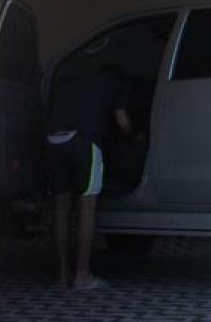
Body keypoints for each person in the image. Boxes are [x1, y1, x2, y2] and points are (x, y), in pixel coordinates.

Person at [45, 62, 141, 289]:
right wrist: (137, 136)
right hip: (83, 142)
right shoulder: (115, 85)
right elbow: (123, 122)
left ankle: (62, 274)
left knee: (61, 207)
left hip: (53, 140)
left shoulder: (71, 81)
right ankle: (82, 275)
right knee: (87, 207)